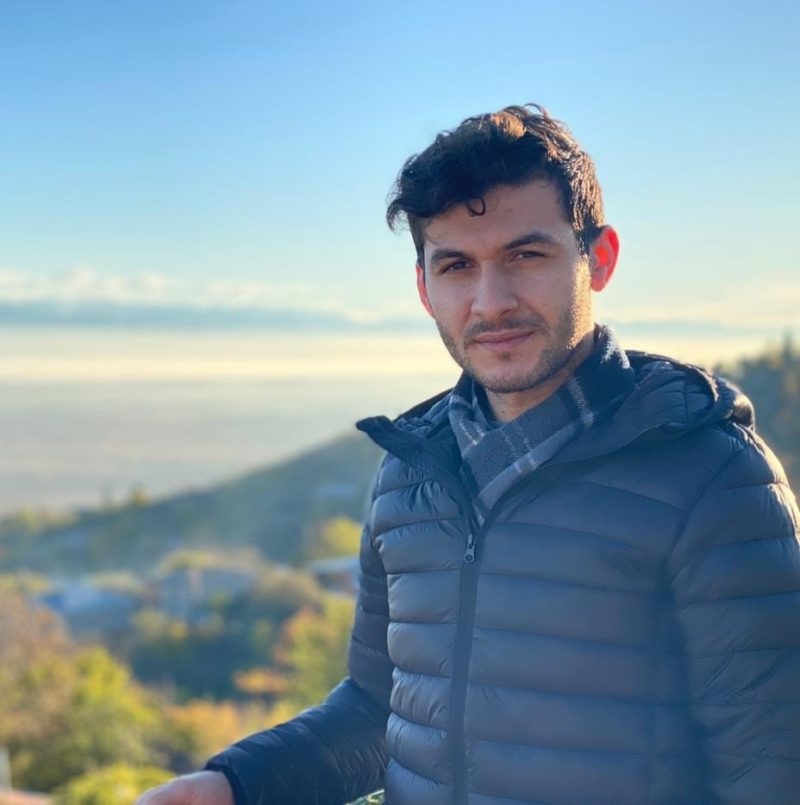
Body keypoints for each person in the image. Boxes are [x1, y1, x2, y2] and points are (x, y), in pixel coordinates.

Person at [137, 104, 800, 805]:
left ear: (598, 259)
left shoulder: (712, 476)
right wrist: (234, 782)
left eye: (526, 255)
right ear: (425, 288)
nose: (491, 302)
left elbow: (772, 766)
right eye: (457, 266)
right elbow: (380, 709)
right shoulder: (409, 474)